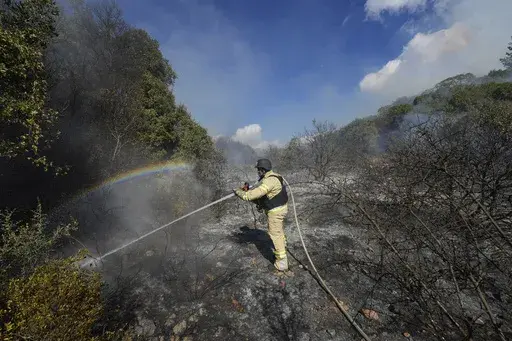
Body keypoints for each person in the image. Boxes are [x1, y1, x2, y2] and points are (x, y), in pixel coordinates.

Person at [233, 158, 289, 272]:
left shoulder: (269, 181)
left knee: (275, 234)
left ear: (263, 170)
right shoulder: (274, 176)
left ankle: (282, 263)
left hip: (275, 212)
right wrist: (247, 189)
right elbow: (262, 192)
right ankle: (283, 245)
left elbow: (249, 196)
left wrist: (238, 192)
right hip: (281, 209)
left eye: (259, 170)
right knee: (279, 231)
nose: (258, 172)